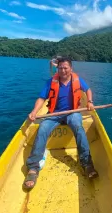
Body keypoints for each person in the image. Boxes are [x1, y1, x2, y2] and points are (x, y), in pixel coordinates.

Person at [23, 57, 99, 190]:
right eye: (60, 68)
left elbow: (88, 90)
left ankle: (87, 163)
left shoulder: (77, 80)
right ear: (57, 69)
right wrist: (34, 111)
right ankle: (33, 168)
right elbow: (41, 98)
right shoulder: (51, 82)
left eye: (65, 68)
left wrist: (90, 101)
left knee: (78, 127)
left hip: (73, 112)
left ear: (71, 69)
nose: (63, 70)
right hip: (54, 114)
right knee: (42, 129)